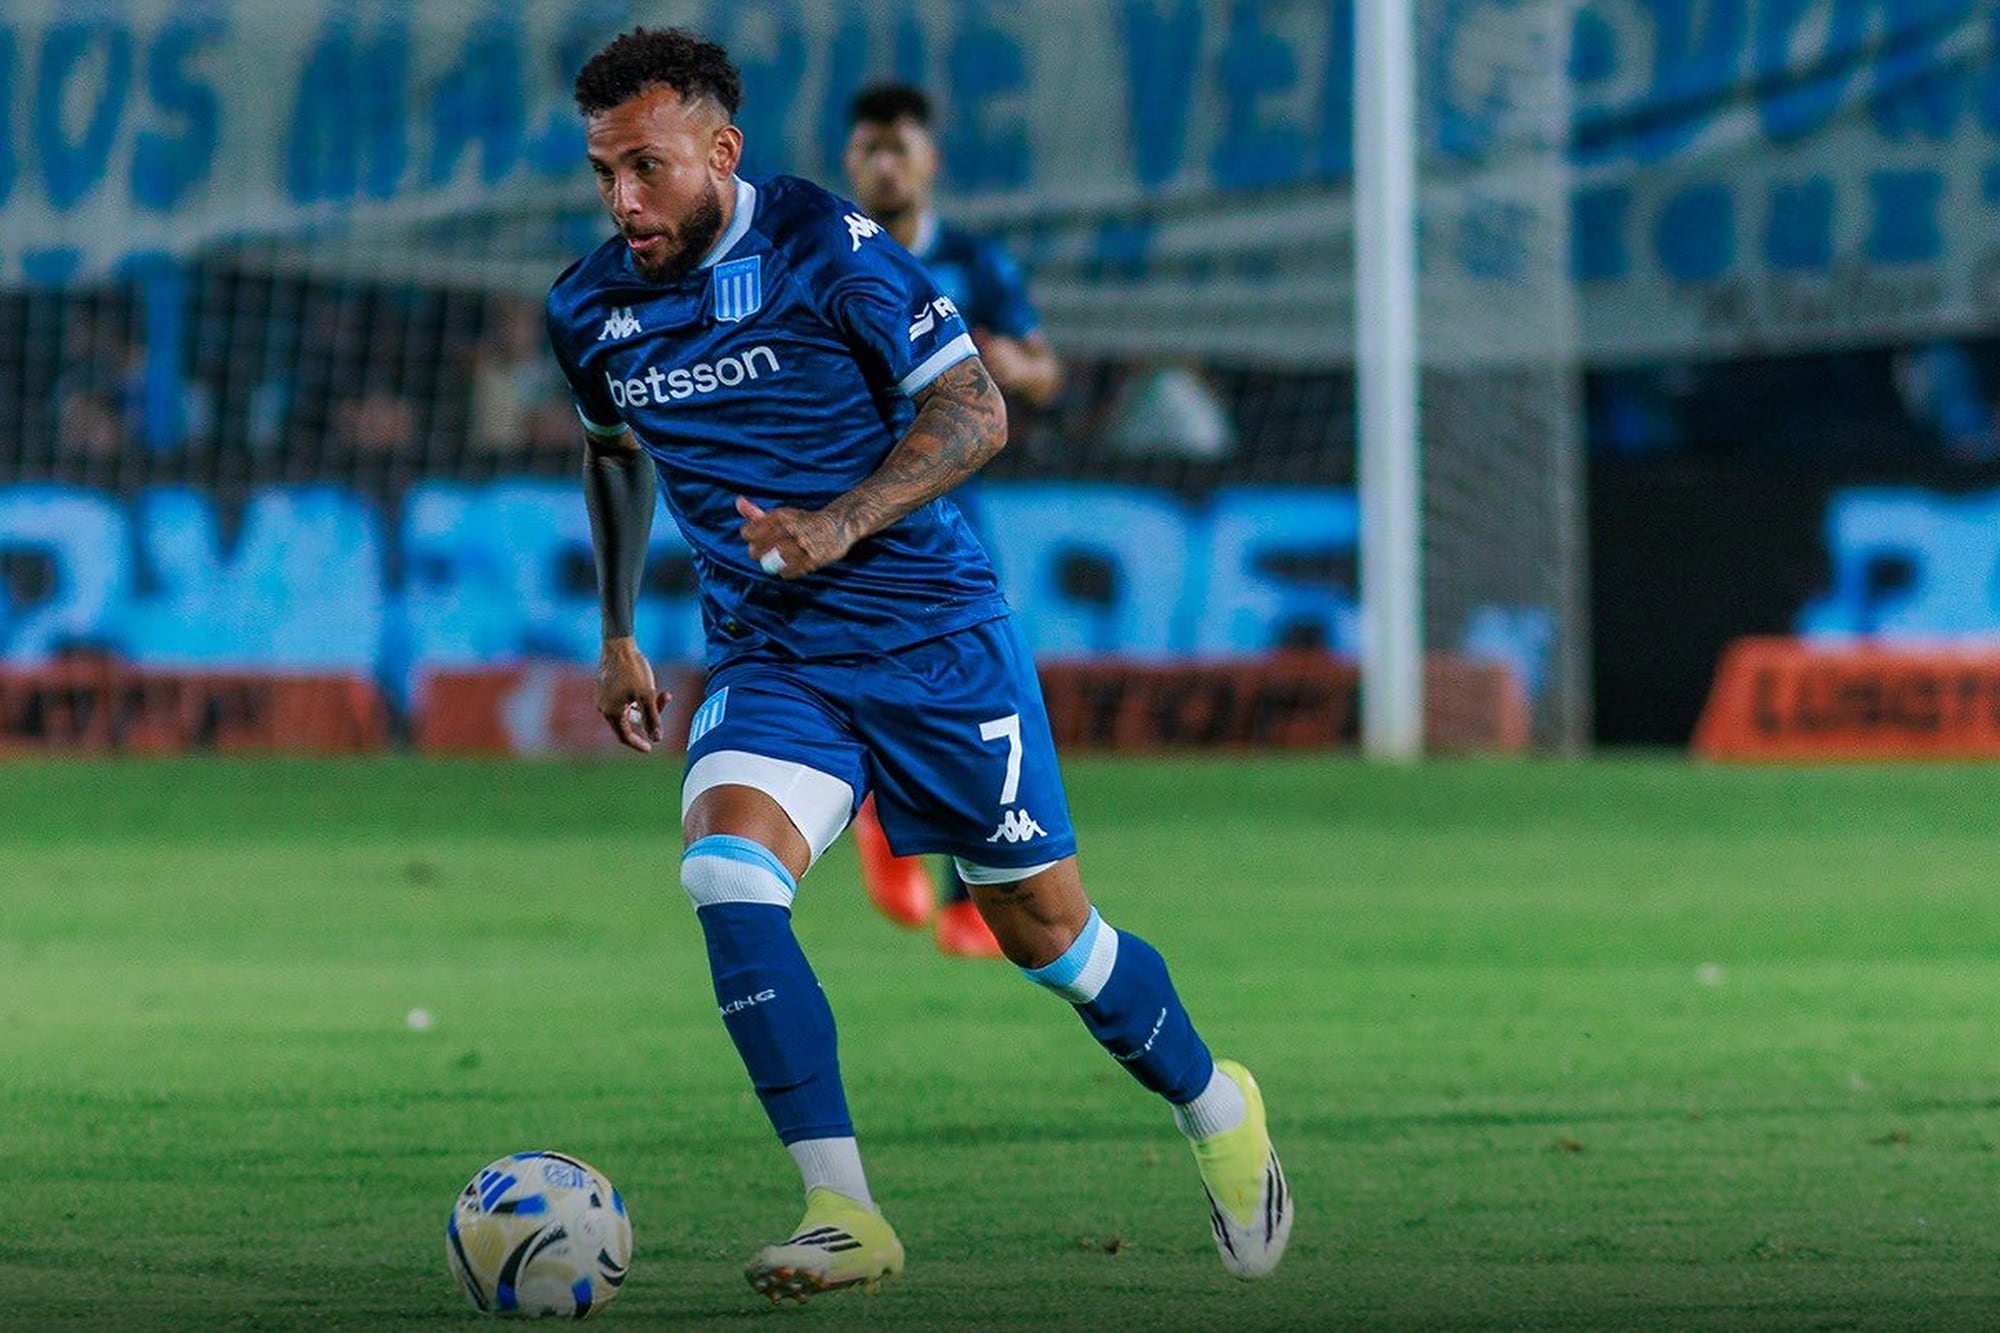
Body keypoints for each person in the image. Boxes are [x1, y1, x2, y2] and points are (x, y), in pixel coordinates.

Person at [546, 27, 1291, 1303]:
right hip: (774, 654)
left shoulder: (821, 244)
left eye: (647, 168)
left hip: (934, 641)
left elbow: (976, 410)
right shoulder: (587, 307)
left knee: (1048, 937)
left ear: (720, 151)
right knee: (725, 869)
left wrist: (838, 522)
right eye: (604, 172)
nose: (624, 200)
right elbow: (612, 450)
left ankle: (1217, 1105)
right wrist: (618, 632)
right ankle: (843, 1208)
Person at [841, 82, 1063, 959]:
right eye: (869, 149)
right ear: (851, 161)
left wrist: (1016, 366)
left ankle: (971, 893)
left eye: (899, 148)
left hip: (950, 514)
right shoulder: (824, 255)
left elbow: (1044, 372)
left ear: (930, 161)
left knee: (978, 694)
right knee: (861, 672)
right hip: (846, 506)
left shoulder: (974, 261)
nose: (884, 165)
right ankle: (877, 813)